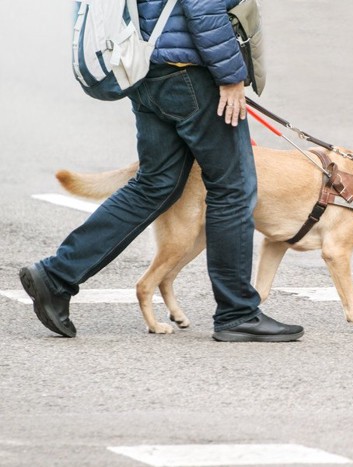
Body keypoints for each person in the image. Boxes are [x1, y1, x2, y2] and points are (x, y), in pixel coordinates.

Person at [19, 0, 303, 342]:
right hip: (191, 73)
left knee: (154, 185)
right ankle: (237, 313)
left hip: (145, 70)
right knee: (233, 188)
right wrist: (231, 78)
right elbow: (204, 9)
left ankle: (56, 274)